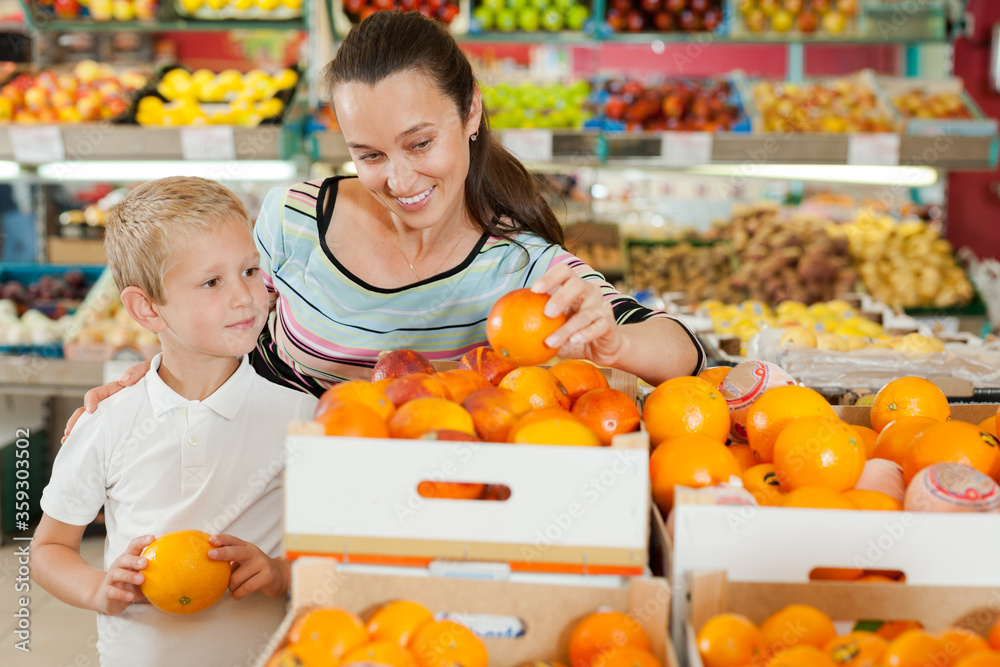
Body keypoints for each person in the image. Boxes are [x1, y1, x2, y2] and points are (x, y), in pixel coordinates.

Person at [66, 10, 704, 427]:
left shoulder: (522, 268)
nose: (399, 181)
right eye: (369, 154)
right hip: (275, 507)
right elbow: (232, 337)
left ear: (471, 113)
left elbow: (684, 351)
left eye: (421, 144)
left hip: (430, 512)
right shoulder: (294, 219)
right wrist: (150, 383)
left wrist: (615, 342)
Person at [34, 177, 318, 667]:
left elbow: (333, 551)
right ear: (146, 308)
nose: (244, 297)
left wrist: (280, 573)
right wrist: (101, 588)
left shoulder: (300, 416)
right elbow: (49, 550)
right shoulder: (107, 421)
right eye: (212, 282)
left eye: (250, 270)